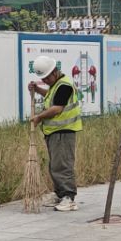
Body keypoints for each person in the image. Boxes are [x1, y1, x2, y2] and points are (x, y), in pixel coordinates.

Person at [28, 55, 82, 212]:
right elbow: (52, 98)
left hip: (63, 131)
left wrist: (39, 117)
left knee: (62, 165)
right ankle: (59, 194)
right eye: (42, 79)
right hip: (54, 132)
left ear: (54, 71)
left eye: (46, 78)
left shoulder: (64, 85)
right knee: (55, 165)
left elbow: (57, 108)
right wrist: (38, 89)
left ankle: (68, 197)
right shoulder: (56, 85)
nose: (45, 81)